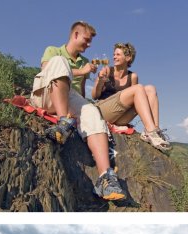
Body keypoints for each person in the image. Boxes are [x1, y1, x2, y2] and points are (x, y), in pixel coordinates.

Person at [29, 21, 125, 201]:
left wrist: (85, 104)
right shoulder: (53, 51)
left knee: (91, 111)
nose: (89, 45)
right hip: (46, 92)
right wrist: (81, 71)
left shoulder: (85, 62)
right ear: (75, 35)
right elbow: (48, 71)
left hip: (69, 97)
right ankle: (63, 122)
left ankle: (105, 177)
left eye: (90, 42)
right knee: (59, 62)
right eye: (86, 40)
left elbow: (80, 91)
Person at [91, 42, 171, 153]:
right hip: (103, 111)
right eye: (114, 54)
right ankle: (151, 131)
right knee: (139, 88)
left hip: (121, 116)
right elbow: (95, 96)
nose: (114, 57)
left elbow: (136, 101)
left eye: (118, 54)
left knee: (150, 89)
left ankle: (155, 131)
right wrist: (100, 81)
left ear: (128, 58)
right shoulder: (107, 71)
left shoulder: (132, 76)